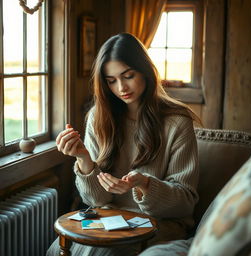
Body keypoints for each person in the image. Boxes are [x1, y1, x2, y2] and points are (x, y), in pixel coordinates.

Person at [47, 32, 201, 256]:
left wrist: (145, 185)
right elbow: (96, 200)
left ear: (145, 71)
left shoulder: (177, 122)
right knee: (57, 249)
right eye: (111, 81)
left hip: (156, 224)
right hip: (108, 220)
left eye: (128, 76)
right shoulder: (97, 118)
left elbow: (186, 202)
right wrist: (84, 158)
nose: (121, 88)